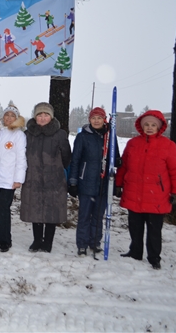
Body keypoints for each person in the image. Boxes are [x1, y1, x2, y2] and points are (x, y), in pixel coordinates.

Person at [115, 110, 176, 269]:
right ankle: (135, 252)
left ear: (160, 127)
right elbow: (124, 166)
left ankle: (154, 257)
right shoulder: (133, 143)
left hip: (157, 197)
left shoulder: (168, 145)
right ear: (141, 126)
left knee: (154, 230)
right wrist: (119, 184)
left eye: (153, 125)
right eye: (146, 124)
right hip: (134, 192)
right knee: (135, 227)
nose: (150, 127)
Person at [69, 107, 121, 256]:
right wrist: (73, 182)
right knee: (84, 216)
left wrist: (117, 161)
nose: (96, 121)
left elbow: (114, 159)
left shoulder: (110, 136)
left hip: (104, 184)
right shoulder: (83, 137)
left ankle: (95, 242)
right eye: (94, 118)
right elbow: (75, 160)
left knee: (98, 216)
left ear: (104, 119)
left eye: (99, 118)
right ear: (89, 120)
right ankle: (82, 244)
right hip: (86, 182)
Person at [20, 102, 71, 253]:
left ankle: (47, 242)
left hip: (53, 179)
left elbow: (67, 157)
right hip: (33, 178)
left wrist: (56, 169)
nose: (42, 118)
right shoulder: (28, 134)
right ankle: (37, 241)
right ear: (35, 117)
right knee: (35, 210)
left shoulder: (60, 134)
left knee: (51, 212)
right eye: (39, 115)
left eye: (46, 115)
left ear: (51, 117)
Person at [0, 105, 27, 253]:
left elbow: (21, 159)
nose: (8, 118)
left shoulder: (19, 135)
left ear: (16, 118)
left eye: (12, 116)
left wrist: (18, 179)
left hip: (9, 179)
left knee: (3, 209)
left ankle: (5, 240)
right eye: (6, 115)